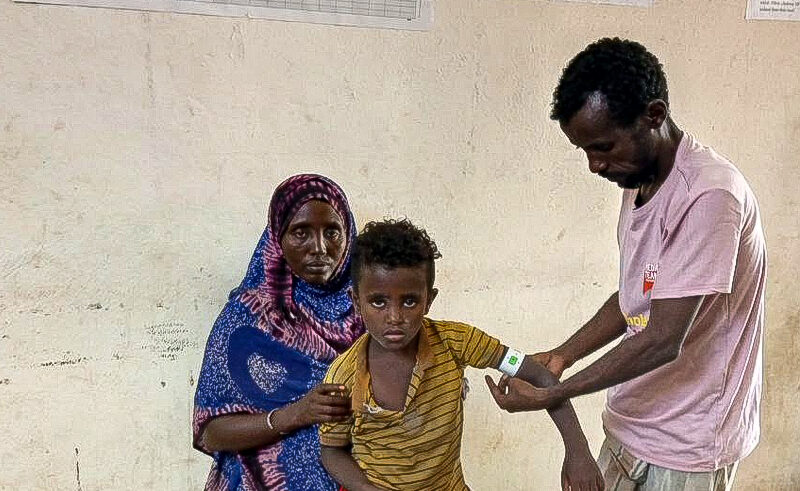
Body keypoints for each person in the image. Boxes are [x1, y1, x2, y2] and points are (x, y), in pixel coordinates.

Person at [485, 38, 766, 491]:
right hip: (632, 420)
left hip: (689, 446)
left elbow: (662, 339)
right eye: (584, 150)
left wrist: (554, 392)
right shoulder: (639, 179)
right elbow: (636, 298)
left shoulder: (709, 195)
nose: (594, 165)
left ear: (653, 115)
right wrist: (562, 356)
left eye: (603, 147)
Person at [319, 219, 604, 491]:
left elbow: (538, 374)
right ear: (357, 301)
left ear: (429, 300)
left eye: (410, 301)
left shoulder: (457, 341)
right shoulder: (343, 376)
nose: (395, 317)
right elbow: (332, 451)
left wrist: (577, 449)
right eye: (379, 302)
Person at [193, 174, 366, 491]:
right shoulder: (246, 318)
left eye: (332, 231)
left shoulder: (372, 312)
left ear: (349, 235)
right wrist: (295, 414)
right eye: (301, 232)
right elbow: (211, 432)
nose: (319, 248)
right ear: (278, 238)